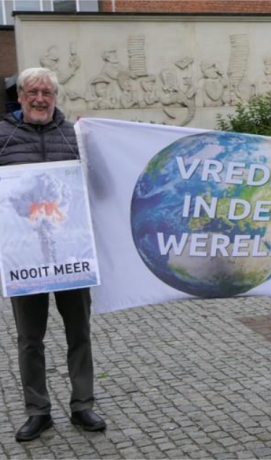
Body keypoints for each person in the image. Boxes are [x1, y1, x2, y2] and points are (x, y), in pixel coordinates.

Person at [0, 68, 107, 441]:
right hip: (22, 258)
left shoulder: (74, 134)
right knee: (30, 339)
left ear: (55, 97)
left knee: (79, 332)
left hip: (71, 253)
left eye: (46, 92)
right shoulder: (2, 135)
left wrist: (97, 146)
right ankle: (38, 410)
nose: (40, 99)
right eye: (33, 92)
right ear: (21, 97)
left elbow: (102, 184)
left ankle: (83, 405)